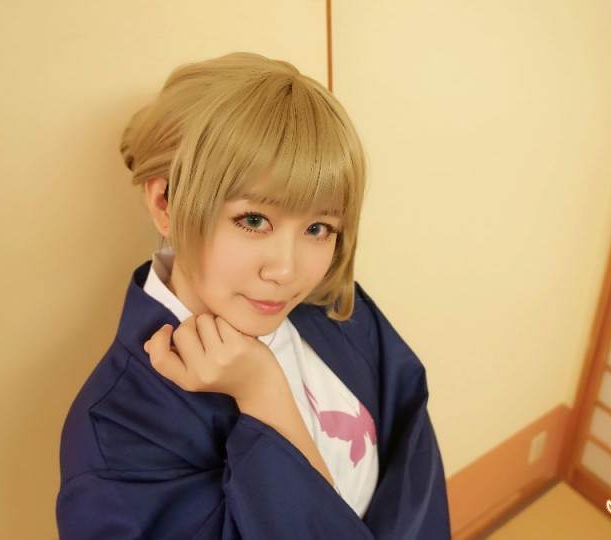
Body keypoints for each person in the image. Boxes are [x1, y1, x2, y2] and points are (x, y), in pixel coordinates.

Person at [55, 51, 451, 539]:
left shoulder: (331, 306)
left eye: (318, 227)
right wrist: (263, 394)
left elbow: (413, 466)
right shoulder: (116, 437)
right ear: (165, 203)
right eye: (254, 220)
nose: (286, 271)